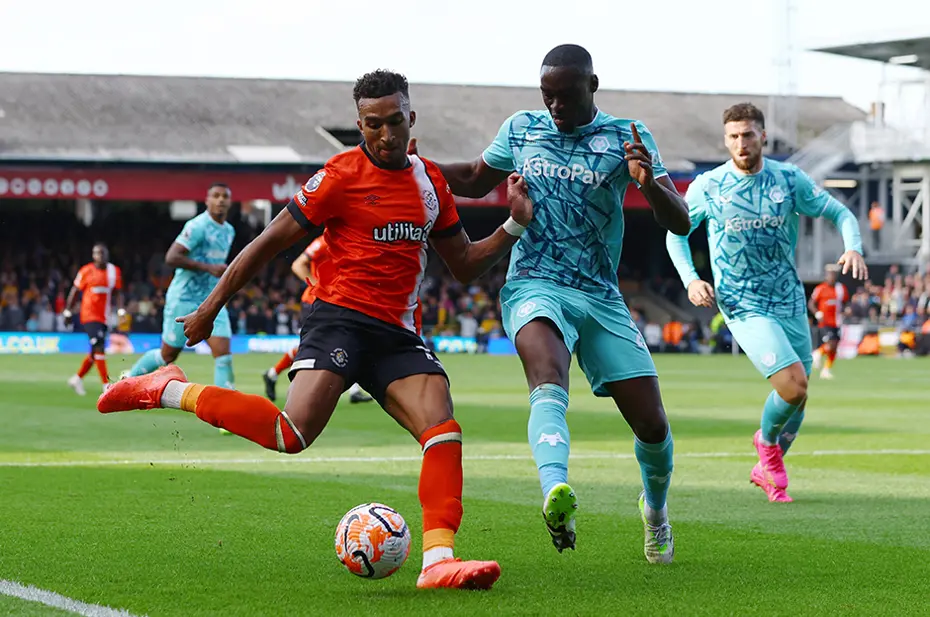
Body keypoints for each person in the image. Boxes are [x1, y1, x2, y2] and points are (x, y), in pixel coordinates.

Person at [98, 69, 532, 591]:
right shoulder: (338, 177)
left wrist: (514, 225)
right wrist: (212, 306)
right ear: (359, 126)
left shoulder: (430, 180)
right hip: (341, 320)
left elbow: (462, 263)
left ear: (411, 119)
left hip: (397, 331)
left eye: (395, 122)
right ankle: (164, 388)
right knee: (290, 433)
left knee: (443, 428)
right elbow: (267, 242)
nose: (386, 135)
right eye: (373, 125)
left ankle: (438, 561)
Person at [409, 44, 688, 563]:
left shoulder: (628, 136)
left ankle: (656, 516)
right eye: (547, 95)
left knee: (652, 425)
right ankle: (555, 493)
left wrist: (649, 185)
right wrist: (413, 163)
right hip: (534, 282)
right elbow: (473, 176)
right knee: (547, 372)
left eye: (565, 95)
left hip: (601, 295)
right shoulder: (522, 128)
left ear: (593, 85)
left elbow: (680, 220)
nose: (555, 106)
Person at [666, 102, 867, 503]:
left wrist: (854, 248)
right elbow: (676, 234)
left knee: (800, 396)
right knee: (793, 386)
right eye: (733, 137)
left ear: (763, 137)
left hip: (789, 299)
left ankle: (767, 465)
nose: (741, 143)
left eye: (748, 134)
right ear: (726, 141)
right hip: (742, 302)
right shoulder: (709, 186)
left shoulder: (789, 180)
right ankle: (767, 445)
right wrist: (691, 280)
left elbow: (841, 213)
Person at [123, 183, 236, 389]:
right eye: (216, 196)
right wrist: (208, 268)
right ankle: (127, 381)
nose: (220, 200)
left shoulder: (229, 231)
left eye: (224, 196)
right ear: (207, 200)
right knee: (168, 354)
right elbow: (172, 257)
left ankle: (227, 407)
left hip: (211, 299)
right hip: (184, 297)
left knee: (223, 354)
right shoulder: (197, 226)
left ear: (230, 201)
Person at [262, 235, 373, 404]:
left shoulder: (348, 242)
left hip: (337, 301)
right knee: (312, 346)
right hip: (315, 303)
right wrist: (319, 287)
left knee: (349, 339)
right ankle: (273, 373)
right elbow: (298, 265)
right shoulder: (323, 242)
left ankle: (354, 390)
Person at [64, 243, 123, 395]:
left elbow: (117, 292)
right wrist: (68, 311)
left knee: (94, 352)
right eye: (97, 253)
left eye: (103, 253)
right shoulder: (86, 271)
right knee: (99, 347)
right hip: (89, 315)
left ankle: (77, 379)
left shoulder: (113, 271)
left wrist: (121, 310)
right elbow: (75, 291)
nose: (100, 256)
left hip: (105, 317)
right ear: (93, 255)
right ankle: (106, 385)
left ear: (107, 255)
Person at [810, 265, 848, 379]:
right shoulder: (820, 288)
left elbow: (845, 303)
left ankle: (826, 369)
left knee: (835, 346)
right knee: (831, 343)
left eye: (834, 274)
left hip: (837, 321)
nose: (832, 276)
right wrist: (817, 313)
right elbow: (811, 303)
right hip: (825, 322)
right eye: (830, 274)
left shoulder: (841, 289)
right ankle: (817, 353)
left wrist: (846, 311)